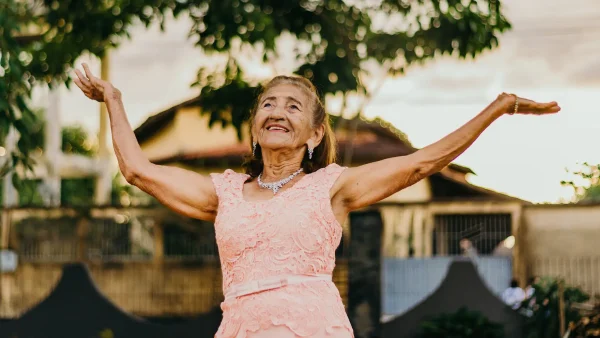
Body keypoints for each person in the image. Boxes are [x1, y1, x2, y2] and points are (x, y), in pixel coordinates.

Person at [73, 63, 560, 338]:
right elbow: (137, 170)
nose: (277, 112)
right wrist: (114, 100)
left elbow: (421, 163)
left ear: (314, 133)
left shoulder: (332, 186)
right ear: (254, 126)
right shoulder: (222, 193)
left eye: (292, 106)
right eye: (268, 103)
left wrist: (497, 108)